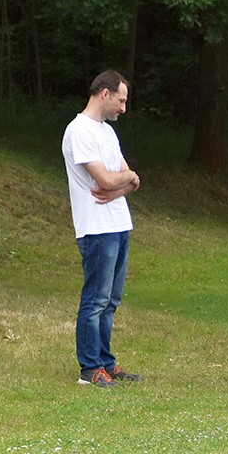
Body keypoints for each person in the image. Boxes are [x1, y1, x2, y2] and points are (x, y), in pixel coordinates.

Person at [61, 70, 145, 387]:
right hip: (96, 228)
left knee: (111, 301)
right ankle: (89, 369)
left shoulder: (108, 132)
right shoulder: (79, 130)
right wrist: (124, 180)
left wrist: (123, 183)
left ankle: (106, 363)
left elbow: (130, 180)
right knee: (95, 300)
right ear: (105, 94)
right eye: (121, 101)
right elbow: (108, 179)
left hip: (119, 223)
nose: (123, 108)